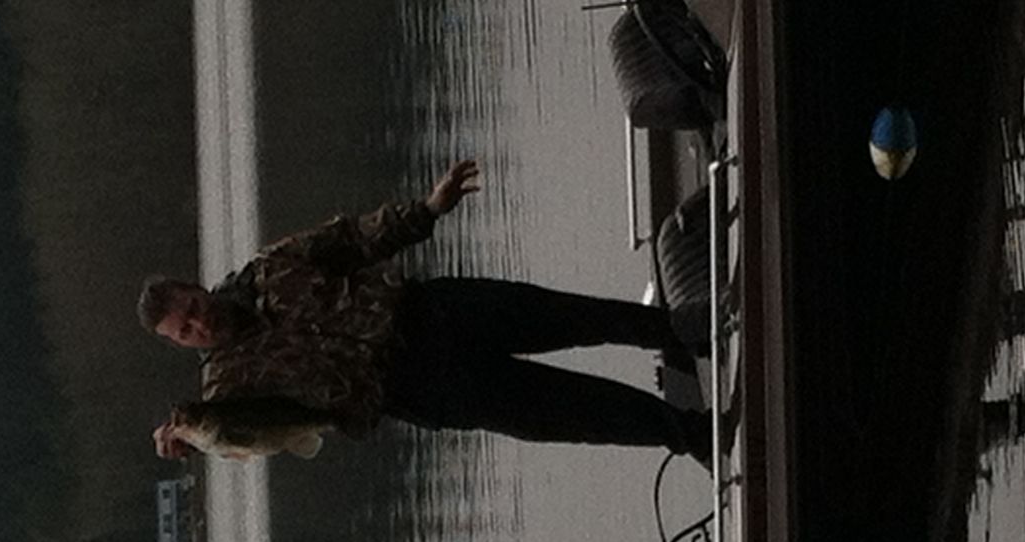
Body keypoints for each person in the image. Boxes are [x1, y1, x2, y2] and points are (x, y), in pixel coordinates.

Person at [140, 160, 721, 465]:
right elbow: (225, 438)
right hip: (417, 388)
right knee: (567, 411)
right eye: (185, 330)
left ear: (197, 287)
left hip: (432, 311)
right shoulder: (226, 390)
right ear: (179, 344)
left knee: (572, 316)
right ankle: (692, 433)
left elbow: (355, 239)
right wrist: (182, 442)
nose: (200, 322)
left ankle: (688, 332)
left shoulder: (270, 267)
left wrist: (427, 209)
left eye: (193, 306)